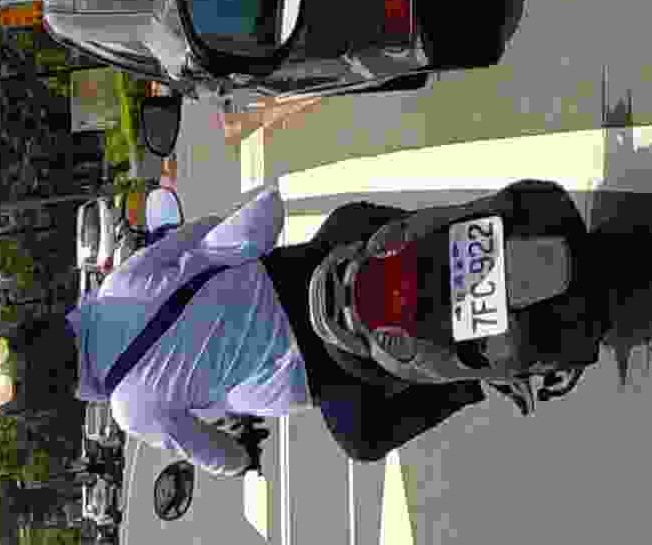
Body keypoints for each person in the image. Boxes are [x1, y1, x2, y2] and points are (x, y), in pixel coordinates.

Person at [74, 185, 483, 476]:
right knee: (351, 219)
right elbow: (202, 230)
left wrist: (243, 459)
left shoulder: (131, 409)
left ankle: (472, 377)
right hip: (298, 271)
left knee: (364, 440)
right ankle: (472, 221)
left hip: (316, 366)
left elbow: (218, 455)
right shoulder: (118, 285)